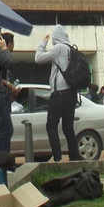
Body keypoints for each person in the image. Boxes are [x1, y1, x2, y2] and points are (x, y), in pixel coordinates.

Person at [35, 25, 82, 162]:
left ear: (56, 37)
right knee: (68, 128)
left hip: (59, 94)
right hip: (71, 93)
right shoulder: (71, 49)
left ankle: (57, 158)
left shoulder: (59, 48)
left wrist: (43, 42)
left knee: (51, 125)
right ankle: (74, 159)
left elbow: (38, 58)